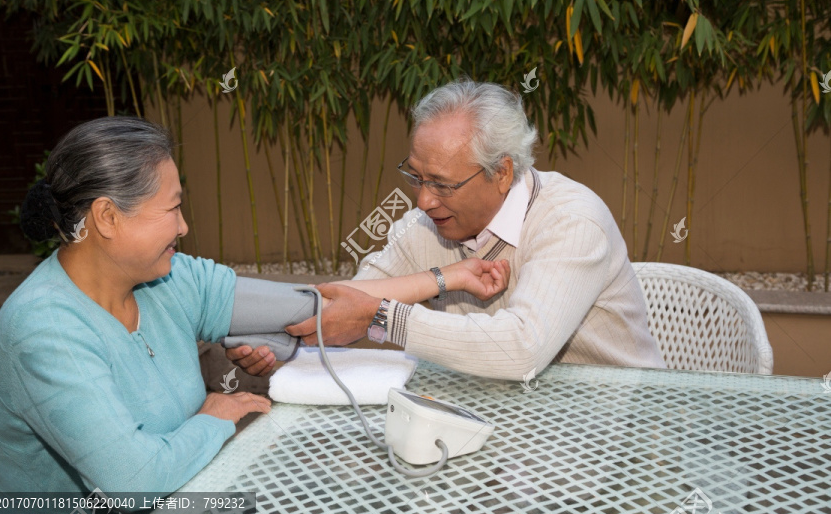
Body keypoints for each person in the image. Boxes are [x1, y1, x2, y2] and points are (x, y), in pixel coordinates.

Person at [0, 116, 510, 514]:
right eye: (172, 209)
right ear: (107, 217)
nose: (185, 226)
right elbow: (134, 482)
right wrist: (213, 417)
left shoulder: (170, 281)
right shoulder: (45, 330)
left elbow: (314, 305)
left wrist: (447, 277)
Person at [228, 79, 667, 381]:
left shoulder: (570, 221)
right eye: (415, 177)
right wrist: (273, 336)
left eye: (442, 184)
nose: (423, 200)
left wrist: (384, 318)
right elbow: (354, 299)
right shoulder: (429, 222)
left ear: (501, 172)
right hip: (504, 424)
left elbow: (522, 349)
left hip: (619, 431)